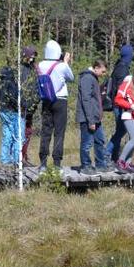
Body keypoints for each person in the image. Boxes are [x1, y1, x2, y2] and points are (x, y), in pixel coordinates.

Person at [38, 40, 74, 170]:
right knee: (59, 132)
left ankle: (43, 163)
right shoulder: (62, 66)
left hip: (46, 100)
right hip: (60, 100)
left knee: (46, 131)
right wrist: (65, 62)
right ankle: (57, 163)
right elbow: (71, 78)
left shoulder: (40, 65)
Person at [76, 59, 110, 175]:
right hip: (87, 118)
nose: (103, 74)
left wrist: (99, 115)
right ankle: (86, 166)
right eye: (103, 71)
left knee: (99, 140)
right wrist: (90, 120)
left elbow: (95, 99)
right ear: (96, 68)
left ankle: (100, 164)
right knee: (87, 143)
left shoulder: (93, 78)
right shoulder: (87, 78)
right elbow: (86, 100)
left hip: (95, 117)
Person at [106, 44, 134, 160]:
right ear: (129, 56)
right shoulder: (122, 68)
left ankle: (114, 157)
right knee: (121, 130)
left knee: (120, 130)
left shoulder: (120, 66)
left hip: (119, 104)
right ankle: (106, 153)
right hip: (120, 105)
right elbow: (121, 89)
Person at [0, 62, 23, 167]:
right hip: (12, 111)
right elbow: (14, 97)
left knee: (6, 135)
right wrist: (19, 104)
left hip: (3, 110)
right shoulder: (11, 83)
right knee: (17, 136)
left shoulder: (0, 83)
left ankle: (5, 159)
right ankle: (16, 160)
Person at [18, 47, 40, 165]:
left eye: (33, 57)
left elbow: (36, 87)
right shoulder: (20, 69)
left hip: (31, 106)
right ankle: (19, 158)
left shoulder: (34, 69)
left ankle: (24, 157)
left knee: (27, 132)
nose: (32, 58)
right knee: (20, 133)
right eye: (30, 56)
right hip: (21, 106)